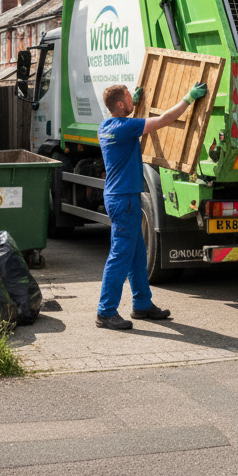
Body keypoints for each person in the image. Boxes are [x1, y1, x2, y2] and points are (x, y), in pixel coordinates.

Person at [96, 81, 208, 330]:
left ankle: (142, 304)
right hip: (124, 200)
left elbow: (126, 122)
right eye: (129, 99)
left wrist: (132, 108)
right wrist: (188, 98)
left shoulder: (107, 126)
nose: (133, 101)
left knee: (137, 255)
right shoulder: (127, 127)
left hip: (120, 197)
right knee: (120, 256)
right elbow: (165, 119)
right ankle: (105, 312)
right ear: (122, 104)